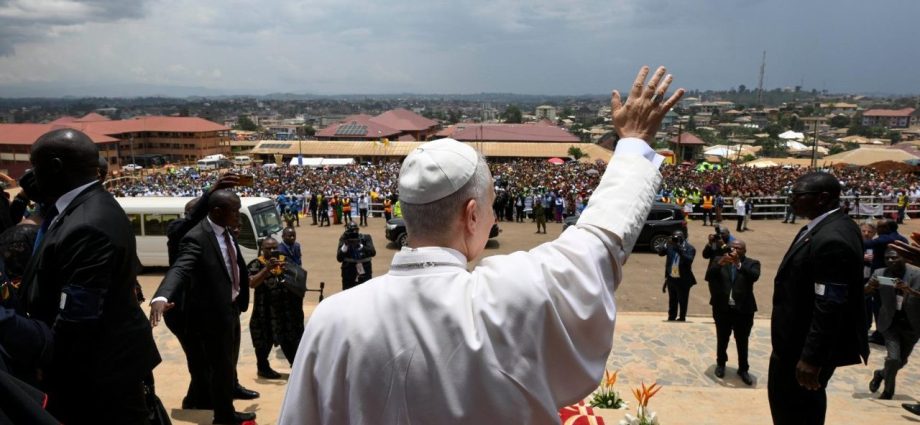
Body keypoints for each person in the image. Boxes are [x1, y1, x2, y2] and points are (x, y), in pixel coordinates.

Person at [278, 65, 684, 425]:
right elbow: (600, 239)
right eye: (490, 207)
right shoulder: (510, 297)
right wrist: (632, 142)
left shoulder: (331, 321)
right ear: (472, 215)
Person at [19, 128, 160, 424]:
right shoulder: (82, 205)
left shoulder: (88, 224)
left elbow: (77, 318)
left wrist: (45, 363)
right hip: (101, 366)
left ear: (56, 167)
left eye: (36, 165)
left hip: (97, 373)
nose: (32, 174)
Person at [150, 190, 258, 425]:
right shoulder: (196, 237)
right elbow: (180, 268)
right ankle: (223, 415)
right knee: (219, 366)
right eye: (234, 211)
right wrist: (161, 295)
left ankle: (224, 411)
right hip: (211, 313)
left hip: (229, 307)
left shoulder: (226, 231)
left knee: (226, 364)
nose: (238, 216)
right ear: (217, 212)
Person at [769, 172, 868, 425]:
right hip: (795, 345)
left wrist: (812, 358)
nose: (791, 201)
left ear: (822, 198)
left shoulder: (832, 238)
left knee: (795, 413)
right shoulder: (825, 226)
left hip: (800, 351)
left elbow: (830, 304)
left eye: (798, 195)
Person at [163, 175, 240, 410]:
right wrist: (210, 192)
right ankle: (197, 400)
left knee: (224, 355)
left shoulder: (217, 235)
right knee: (200, 360)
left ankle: (228, 388)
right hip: (186, 311)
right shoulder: (181, 234)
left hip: (220, 306)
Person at [864, 249, 920, 399]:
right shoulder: (880, 272)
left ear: (903, 258)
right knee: (893, 359)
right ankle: (888, 392)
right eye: (887, 258)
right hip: (890, 322)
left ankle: (880, 374)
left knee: (900, 362)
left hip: (912, 323)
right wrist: (871, 287)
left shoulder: (917, 273)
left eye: (894, 258)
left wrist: (908, 290)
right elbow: (864, 292)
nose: (890, 261)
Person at [248, 237, 305, 379]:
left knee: (290, 338)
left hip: (285, 311)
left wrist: (289, 271)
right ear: (262, 249)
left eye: (275, 248)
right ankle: (263, 367)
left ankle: (297, 368)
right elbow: (252, 283)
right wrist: (267, 269)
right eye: (268, 248)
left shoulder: (284, 260)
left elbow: (299, 278)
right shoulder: (256, 264)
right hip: (265, 311)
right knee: (263, 340)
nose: (272, 251)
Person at [705, 239, 760, 386]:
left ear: (744, 251)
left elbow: (754, 276)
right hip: (723, 309)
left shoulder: (752, 263)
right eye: (732, 247)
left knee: (742, 340)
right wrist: (720, 263)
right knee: (722, 338)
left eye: (738, 248)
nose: (734, 249)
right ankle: (721, 364)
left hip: (743, 310)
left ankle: (743, 369)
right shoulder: (719, 259)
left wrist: (738, 264)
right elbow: (708, 277)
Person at [657, 229, 696, 321]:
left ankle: (682, 317)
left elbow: (688, 261)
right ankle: (671, 316)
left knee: (683, 300)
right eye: (674, 236)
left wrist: (679, 249)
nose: (676, 238)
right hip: (671, 277)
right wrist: (666, 243)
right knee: (672, 299)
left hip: (683, 278)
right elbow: (660, 253)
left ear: (683, 237)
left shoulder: (690, 248)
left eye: (678, 237)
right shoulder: (670, 246)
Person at [336, 222, 376, 291]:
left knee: (365, 292)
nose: (353, 234)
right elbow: (339, 258)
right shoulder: (344, 239)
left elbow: (373, 252)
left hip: (364, 273)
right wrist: (345, 245)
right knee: (347, 294)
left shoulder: (365, 238)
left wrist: (361, 246)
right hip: (348, 275)